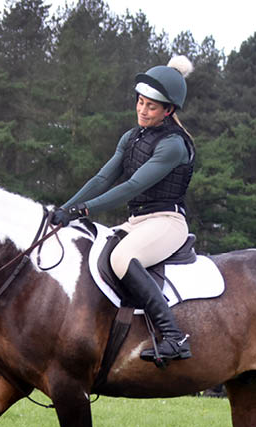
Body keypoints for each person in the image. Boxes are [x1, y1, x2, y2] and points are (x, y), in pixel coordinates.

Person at [52, 56, 196, 364]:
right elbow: (103, 178)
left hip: (167, 221)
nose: (143, 110)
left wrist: (83, 210)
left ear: (168, 110)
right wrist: (64, 210)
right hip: (138, 222)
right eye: (140, 102)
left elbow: (131, 187)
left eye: (151, 106)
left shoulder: (173, 145)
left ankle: (174, 337)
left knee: (121, 258)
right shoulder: (131, 137)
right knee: (90, 251)